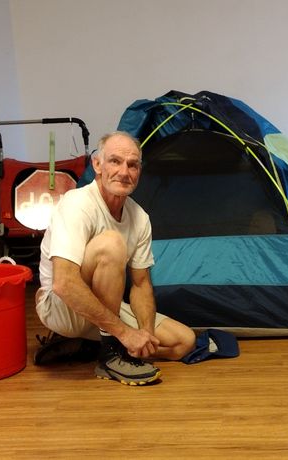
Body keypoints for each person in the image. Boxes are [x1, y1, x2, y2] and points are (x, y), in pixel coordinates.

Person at [36, 131, 196, 385]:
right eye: (115, 161)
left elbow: (142, 284)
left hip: (101, 305)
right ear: (97, 165)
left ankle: (92, 346)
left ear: (139, 171)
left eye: (132, 165)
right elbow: (63, 283)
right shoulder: (77, 204)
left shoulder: (140, 217)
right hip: (60, 307)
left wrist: (144, 333)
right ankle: (110, 356)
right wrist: (124, 334)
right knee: (112, 244)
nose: (124, 172)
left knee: (183, 341)